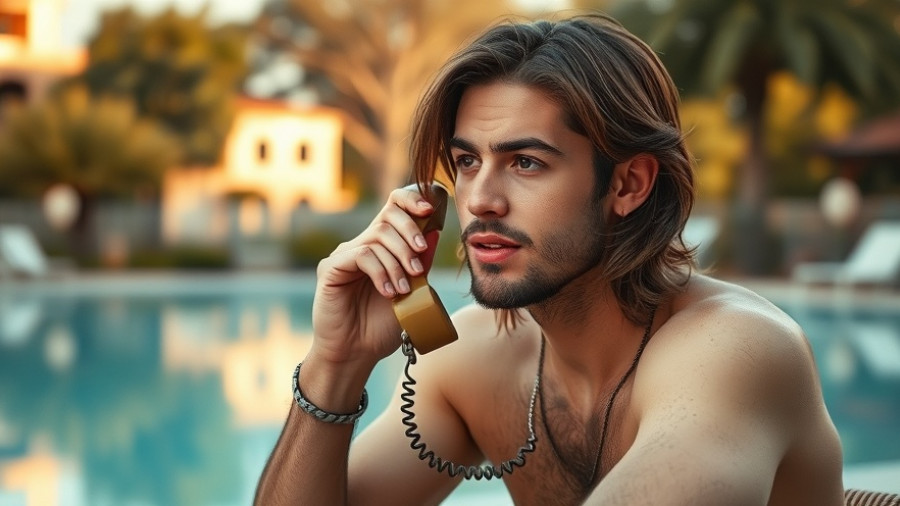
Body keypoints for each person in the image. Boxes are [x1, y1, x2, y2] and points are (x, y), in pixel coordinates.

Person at [255, 13, 844, 506]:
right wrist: (336, 364)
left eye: (526, 163)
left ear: (628, 184)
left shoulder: (735, 351)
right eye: (465, 162)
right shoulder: (475, 360)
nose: (480, 199)